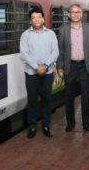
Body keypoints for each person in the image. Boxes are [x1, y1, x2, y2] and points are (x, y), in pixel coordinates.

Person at [57, 4, 89, 132]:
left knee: (86, 97)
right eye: (72, 12)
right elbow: (61, 51)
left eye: (78, 12)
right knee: (69, 96)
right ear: (68, 15)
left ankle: (86, 124)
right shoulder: (63, 29)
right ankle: (70, 123)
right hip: (70, 66)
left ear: (81, 14)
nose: (75, 14)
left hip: (85, 66)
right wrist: (60, 67)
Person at [20, 7, 59, 139]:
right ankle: (32, 126)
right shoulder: (25, 35)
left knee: (47, 100)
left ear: (43, 19)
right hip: (31, 73)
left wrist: (46, 65)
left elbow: (55, 52)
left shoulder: (51, 34)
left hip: (47, 73)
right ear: (30, 21)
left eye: (39, 17)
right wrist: (37, 67)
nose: (36, 20)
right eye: (33, 18)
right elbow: (24, 54)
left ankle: (46, 125)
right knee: (32, 101)